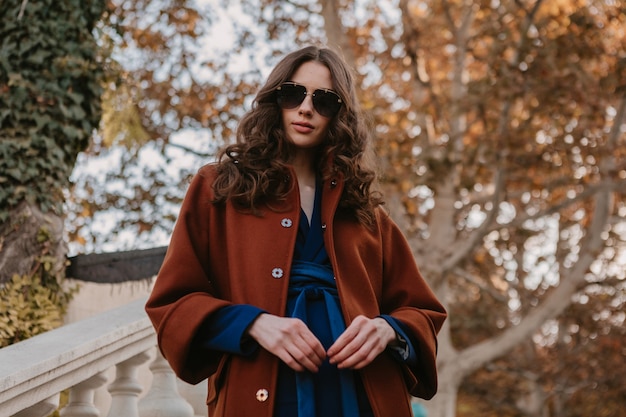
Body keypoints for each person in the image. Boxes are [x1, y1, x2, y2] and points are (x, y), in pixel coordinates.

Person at [145, 45, 447, 417]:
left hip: (365, 395)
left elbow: (422, 310)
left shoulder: (366, 210)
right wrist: (254, 323)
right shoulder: (219, 188)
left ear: (340, 114)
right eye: (293, 94)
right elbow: (172, 303)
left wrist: (388, 330)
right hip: (262, 394)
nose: (306, 108)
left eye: (324, 100)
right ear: (276, 100)